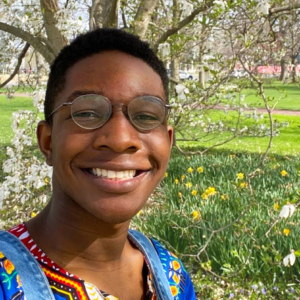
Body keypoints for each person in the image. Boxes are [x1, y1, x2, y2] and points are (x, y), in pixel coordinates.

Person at [0, 28, 196, 300]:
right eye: (88, 113)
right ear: (47, 141)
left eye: (146, 116)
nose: (120, 139)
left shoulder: (171, 276)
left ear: (168, 142)